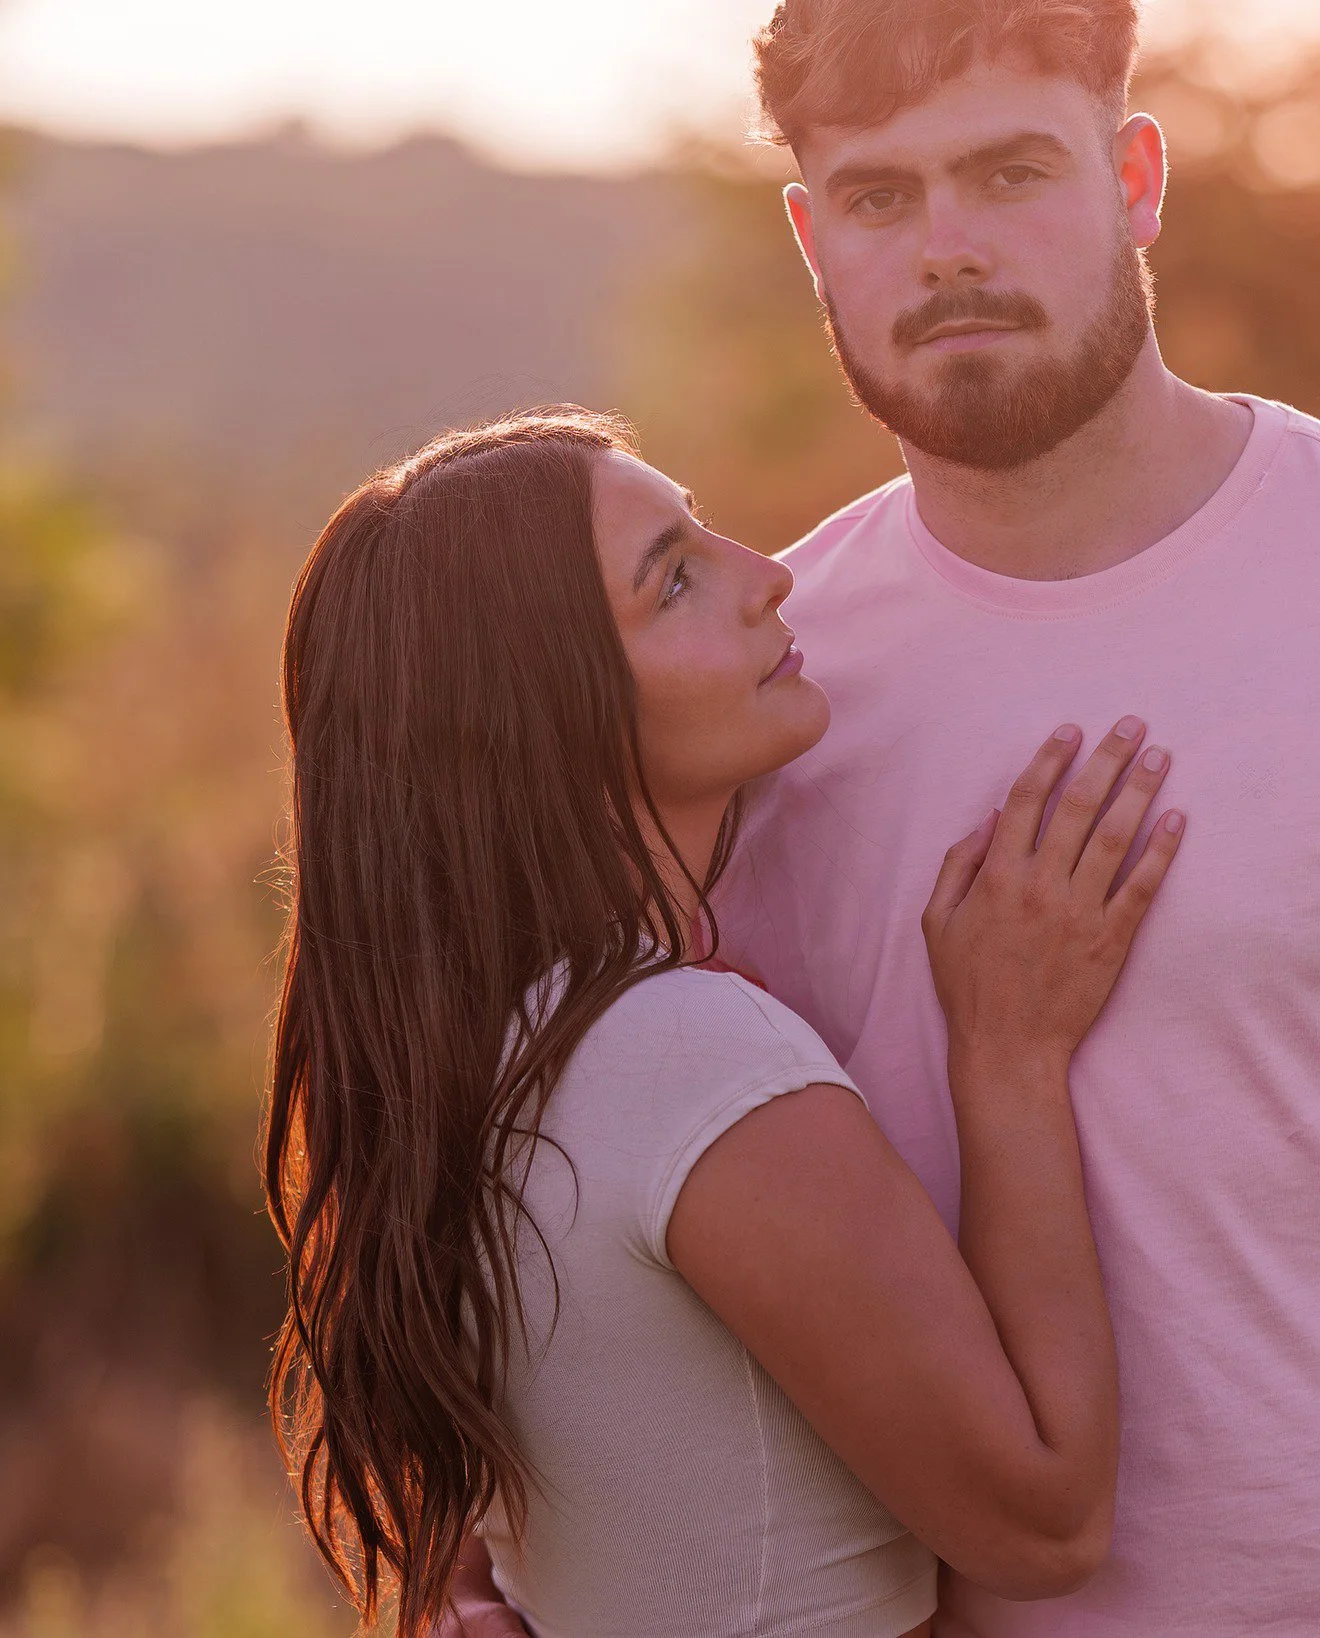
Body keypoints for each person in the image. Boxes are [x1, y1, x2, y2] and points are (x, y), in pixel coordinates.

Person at [449, 0, 1320, 1633]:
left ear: (1135, 174)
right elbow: (627, 1175)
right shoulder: (766, 687)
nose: (946, 248)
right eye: (878, 197)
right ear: (810, 236)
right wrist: (522, 1548)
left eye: (1008, 171)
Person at [262, 407, 1189, 1638]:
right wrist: (1009, 1053)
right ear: (547, 713)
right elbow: (1043, 1520)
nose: (768, 577)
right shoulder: (683, 1061)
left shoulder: (464, 1062)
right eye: (675, 583)